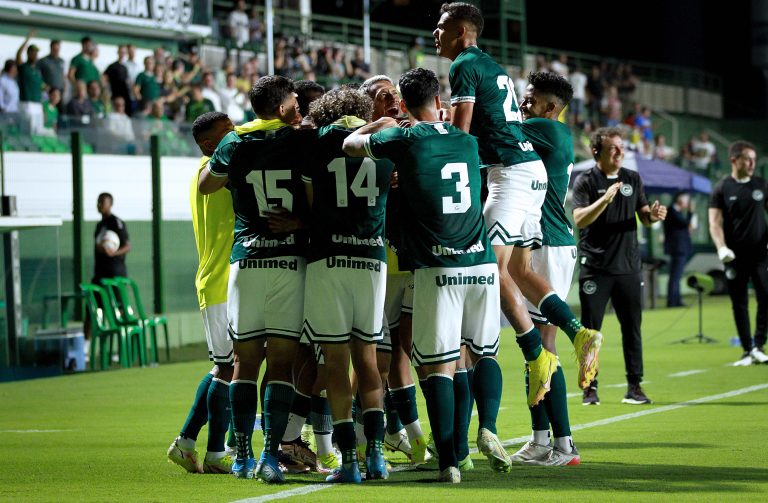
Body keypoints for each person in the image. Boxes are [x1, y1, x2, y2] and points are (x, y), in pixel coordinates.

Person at [433, 2, 600, 417]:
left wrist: (429, 147)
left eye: (441, 26)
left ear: (462, 29)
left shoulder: (464, 65)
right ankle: (578, 333)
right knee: (521, 271)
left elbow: (461, 131)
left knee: (489, 267)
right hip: (527, 175)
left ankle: (534, 353)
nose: (435, 33)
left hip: (509, 175)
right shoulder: (494, 67)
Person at [343, 67, 499, 484]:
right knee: (480, 354)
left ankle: (448, 460)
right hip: (482, 264)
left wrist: (382, 125)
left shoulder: (404, 138)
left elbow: (349, 144)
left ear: (405, 103)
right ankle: (487, 430)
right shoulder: (468, 141)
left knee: (438, 367)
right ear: (439, 100)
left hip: (437, 266)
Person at [200, 75, 308, 482]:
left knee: (243, 364)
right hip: (288, 263)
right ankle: (268, 458)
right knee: (280, 366)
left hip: (246, 262)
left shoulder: (234, 141)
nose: (299, 106)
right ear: (282, 108)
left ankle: (242, 456)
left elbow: (207, 184)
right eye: (295, 100)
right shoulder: (302, 139)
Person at [301, 88, 394, 484]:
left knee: (336, 364)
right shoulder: (384, 139)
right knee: (369, 361)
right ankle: (375, 456)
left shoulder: (318, 140)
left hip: (328, 259)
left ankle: (349, 463)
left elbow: (308, 203)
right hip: (372, 259)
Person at [509, 71, 581, 467]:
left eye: (531, 97)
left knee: (543, 349)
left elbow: (496, 127)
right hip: (545, 241)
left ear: (551, 107)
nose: (524, 101)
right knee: (533, 348)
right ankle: (540, 440)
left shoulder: (544, 130)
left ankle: (565, 445)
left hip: (548, 244)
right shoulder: (553, 131)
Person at [572, 127, 667, 406]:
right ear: (596, 151)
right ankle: (590, 388)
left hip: (628, 267)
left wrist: (654, 216)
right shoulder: (585, 181)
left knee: (632, 329)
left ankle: (635, 387)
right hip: (596, 268)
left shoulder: (632, 179)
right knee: (590, 333)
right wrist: (605, 199)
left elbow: (644, 216)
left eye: (621, 147)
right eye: (613, 147)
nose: (619, 152)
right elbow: (579, 219)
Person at [167, 112, 236, 476]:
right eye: (227, 132)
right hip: (221, 281)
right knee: (229, 367)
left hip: (224, 280)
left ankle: (188, 442)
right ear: (209, 144)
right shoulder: (216, 173)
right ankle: (214, 451)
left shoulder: (207, 169)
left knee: (227, 365)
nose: (235, 135)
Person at [708, 141, 768, 366]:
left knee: (766, 296)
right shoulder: (722, 188)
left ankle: (759, 345)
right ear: (735, 160)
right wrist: (721, 247)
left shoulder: (761, 184)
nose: (752, 163)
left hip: (761, 254)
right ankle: (747, 350)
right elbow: (714, 223)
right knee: (739, 302)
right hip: (734, 256)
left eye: (753, 159)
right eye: (747, 159)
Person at [664, 192, 695, 308]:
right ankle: (672, 301)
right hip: (677, 249)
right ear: (680, 200)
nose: (687, 203)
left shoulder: (677, 212)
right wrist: (691, 212)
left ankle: (676, 300)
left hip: (680, 248)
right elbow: (685, 224)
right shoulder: (672, 211)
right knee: (675, 276)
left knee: (677, 276)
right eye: (686, 200)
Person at [93, 193, 131, 286]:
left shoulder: (116, 222)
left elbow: (127, 246)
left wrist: (113, 253)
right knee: (96, 298)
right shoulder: (99, 225)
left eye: (102, 202)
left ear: (110, 205)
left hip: (114, 272)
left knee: (115, 300)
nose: (99, 205)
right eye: (98, 202)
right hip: (100, 272)